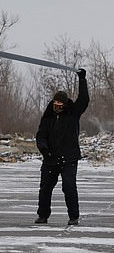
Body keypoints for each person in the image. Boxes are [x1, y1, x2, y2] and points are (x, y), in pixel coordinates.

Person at [35, 68, 89, 225]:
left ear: (65, 105)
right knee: (45, 188)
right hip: (50, 158)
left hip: (69, 158)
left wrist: (82, 80)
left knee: (69, 186)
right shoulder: (48, 117)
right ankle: (43, 215)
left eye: (60, 104)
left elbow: (84, 100)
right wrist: (43, 148)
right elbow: (41, 135)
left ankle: (73, 217)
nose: (57, 106)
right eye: (55, 103)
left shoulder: (73, 114)